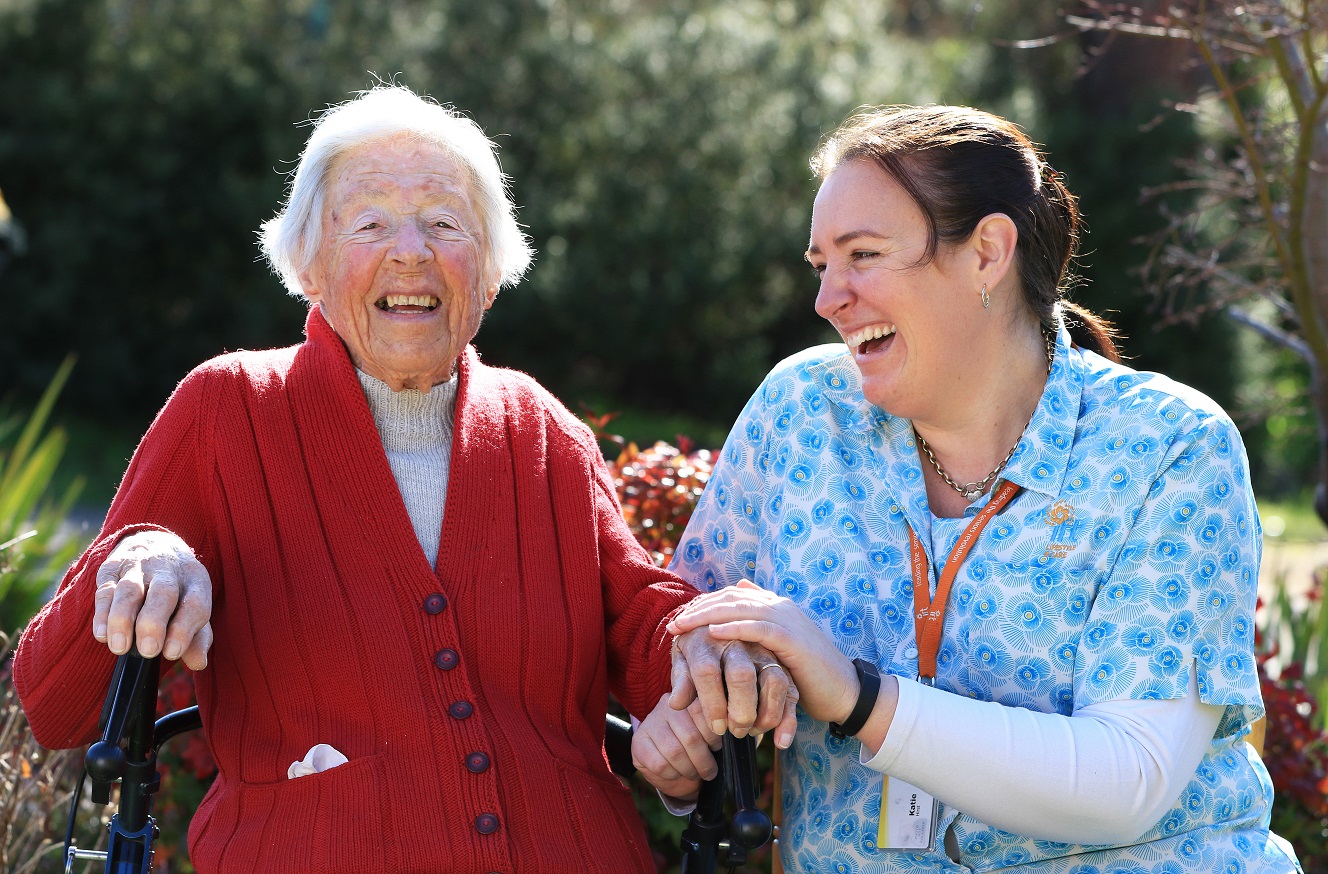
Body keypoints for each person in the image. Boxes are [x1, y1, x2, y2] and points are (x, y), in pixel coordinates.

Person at [14, 85, 789, 873]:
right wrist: (137, 557)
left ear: (488, 274)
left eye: (446, 225)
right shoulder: (230, 410)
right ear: (310, 265)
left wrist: (706, 653)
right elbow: (55, 705)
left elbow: (639, 623)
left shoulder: (544, 431)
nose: (411, 251)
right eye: (370, 223)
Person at [639, 105, 1302, 872]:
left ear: (987, 253)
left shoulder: (1169, 445)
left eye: (863, 254)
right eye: (822, 264)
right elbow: (695, 642)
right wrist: (692, 734)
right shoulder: (799, 413)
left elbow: (1130, 779)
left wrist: (860, 698)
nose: (828, 299)